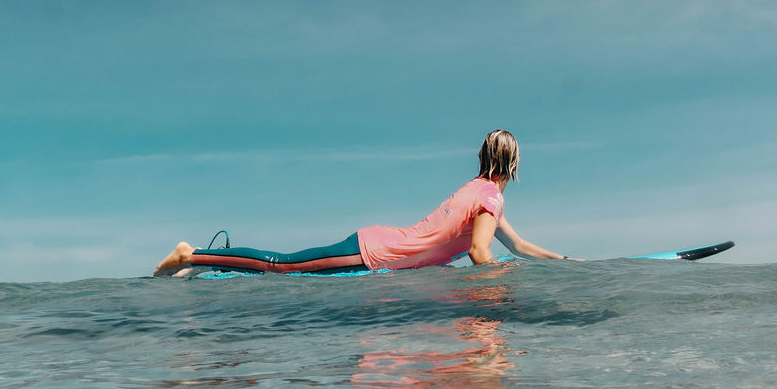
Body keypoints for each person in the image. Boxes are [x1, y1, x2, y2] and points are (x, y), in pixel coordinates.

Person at [153, 129, 570, 277]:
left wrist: (566, 263)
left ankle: (209, 261)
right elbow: (481, 253)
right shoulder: (490, 198)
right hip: (373, 252)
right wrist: (501, 290)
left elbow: (518, 246)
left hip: (377, 245)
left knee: (287, 267)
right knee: (280, 266)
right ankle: (191, 255)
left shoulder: (479, 192)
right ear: (512, 164)